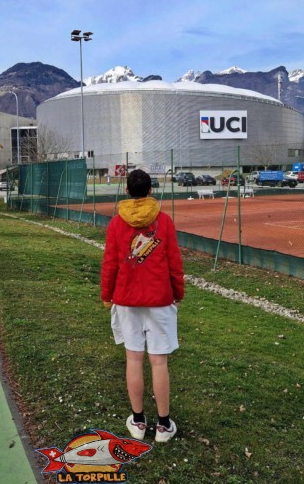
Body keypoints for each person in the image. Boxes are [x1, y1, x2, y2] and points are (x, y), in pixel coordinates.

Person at [100, 169, 185, 443]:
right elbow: (174, 262)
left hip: (126, 300)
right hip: (160, 299)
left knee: (134, 358)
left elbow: (110, 264)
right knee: (159, 361)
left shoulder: (115, 224)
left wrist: (106, 295)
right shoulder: (165, 222)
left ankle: (138, 420)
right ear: (150, 191)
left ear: (127, 191)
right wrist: (178, 292)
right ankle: (163, 425)